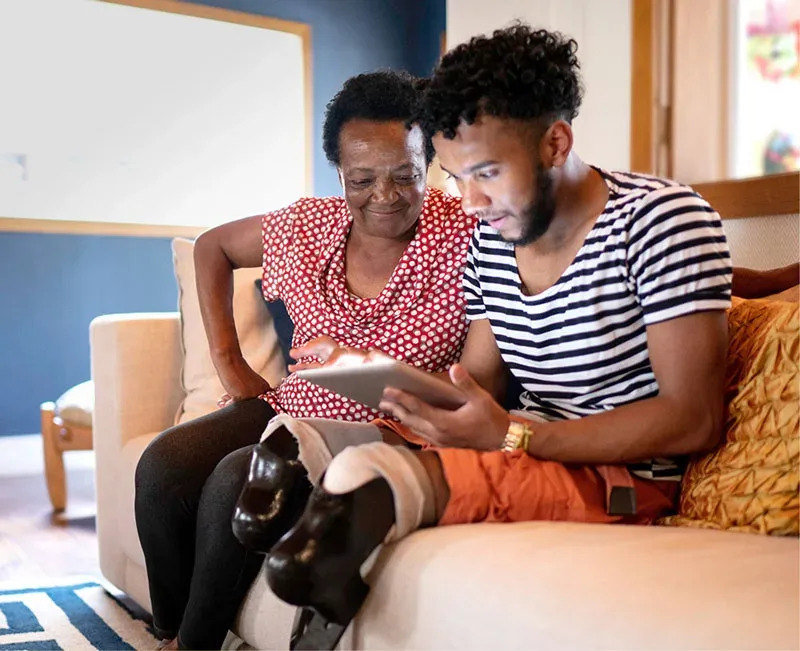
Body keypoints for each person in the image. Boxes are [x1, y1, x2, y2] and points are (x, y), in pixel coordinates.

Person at [245, 24, 737, 648]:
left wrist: (513, 433)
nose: (471, 202)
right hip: (522, 439)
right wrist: (372, 368)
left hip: (622, 475)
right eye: (454, 177)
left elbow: (693, 419)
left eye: (486, 172)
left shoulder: (662, 221)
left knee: (362, 488)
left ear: (556, 142)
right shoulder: (492, 239)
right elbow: (477, 383)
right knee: (298, 438)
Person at [133, 70, 475, 651]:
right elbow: (212, 246)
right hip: (293, 403)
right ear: (338, 172)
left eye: (406, 175)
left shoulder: (467, 235)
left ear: (431, 161)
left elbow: (480, 378)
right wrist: (229, 361)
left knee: (235, 480)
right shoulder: (309, 224)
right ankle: (167, 632)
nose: (385, 196)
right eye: (362, 178)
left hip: (390, 424)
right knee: (163, 469)